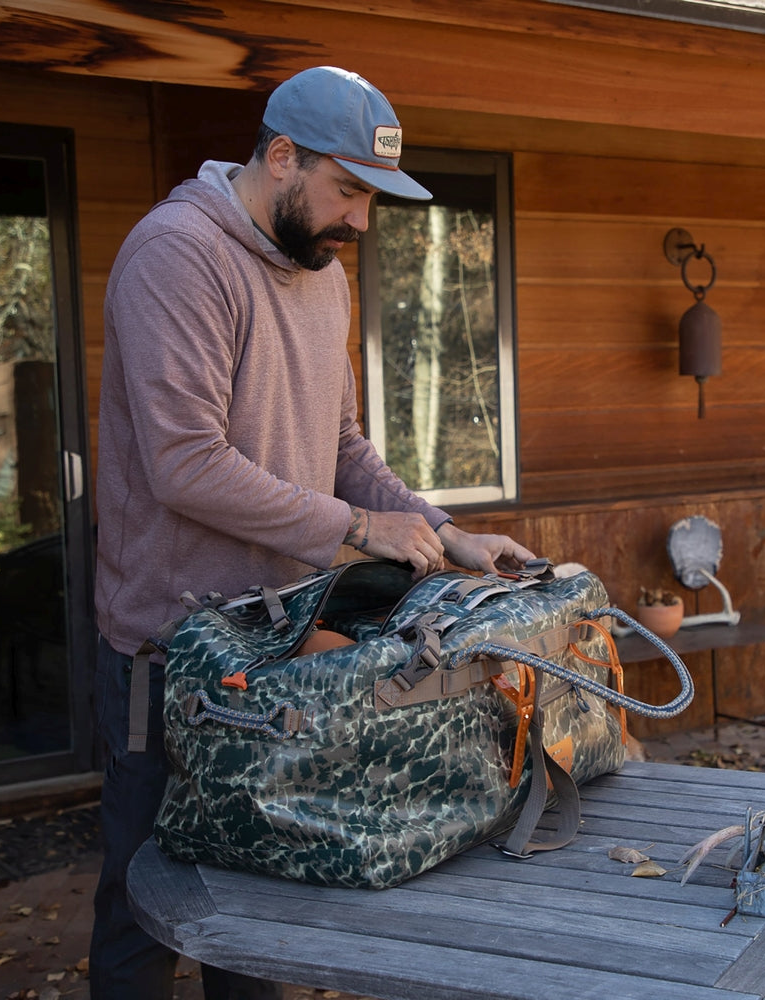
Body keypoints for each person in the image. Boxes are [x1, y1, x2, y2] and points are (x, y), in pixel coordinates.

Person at [90, 65, 536, 999]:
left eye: (371, 200)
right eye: (347, 191)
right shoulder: (177, 254)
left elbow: (340, 448)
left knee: (260, 909)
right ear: (280, 157)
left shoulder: (320, 275)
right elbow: (186, 465)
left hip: (279, 648)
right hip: (170, 658)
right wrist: (358, 528)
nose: (360, 222)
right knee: (145, 910)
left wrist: (445, 534)